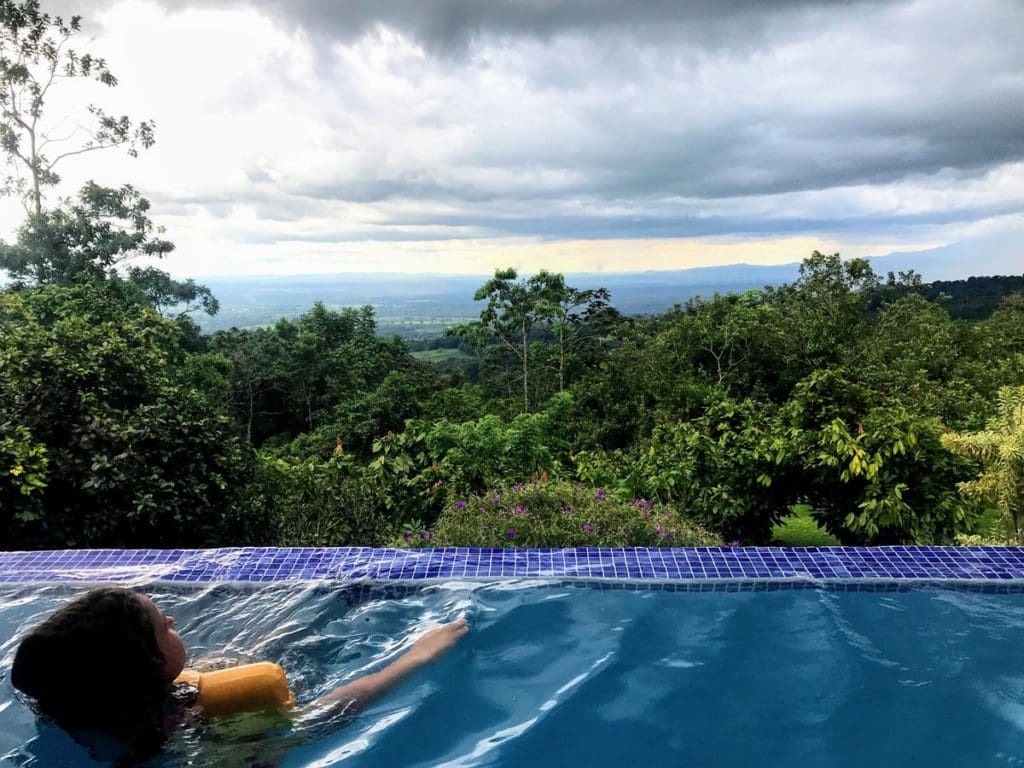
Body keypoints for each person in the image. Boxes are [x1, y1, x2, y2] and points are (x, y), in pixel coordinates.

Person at [10, 586, 469, 762]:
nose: (172, 621)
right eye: (162, 626)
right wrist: (417, 657)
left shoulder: (79, 709)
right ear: (149, 666)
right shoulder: (194, 727)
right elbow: (332, 712)